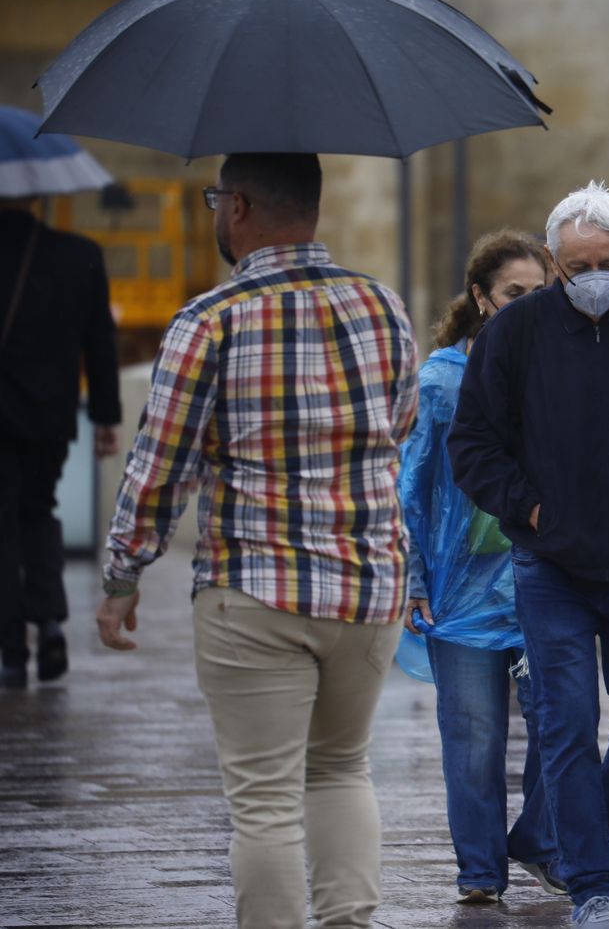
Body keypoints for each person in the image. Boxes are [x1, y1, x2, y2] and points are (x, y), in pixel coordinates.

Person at [96, 153, 419, 929]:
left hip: (257, 587)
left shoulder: (211, 319)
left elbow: (159, 464)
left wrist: (121, 576)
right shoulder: (383, 308)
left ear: (237, 206)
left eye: (215, 199)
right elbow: (399, 425)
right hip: (368, 583)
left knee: (265, 801)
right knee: (342, 770)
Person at [449, 180, 609, 929]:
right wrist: (528, 506)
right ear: (554, 262)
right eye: (573, 266)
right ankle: (595, 884)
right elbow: (472, 443)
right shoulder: (515, 333)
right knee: (564, 722)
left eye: (604, 262)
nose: (590, 277)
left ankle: (583, 835)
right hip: (551, 568)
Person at [397, 228, 565, 904]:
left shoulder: (560, 370)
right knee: (473, 739)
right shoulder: (440, 384)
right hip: (461, 591)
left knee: (565, 724)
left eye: (538, 294)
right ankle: (480, 872)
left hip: (546, 578)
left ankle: (536, 840)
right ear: (480, 297)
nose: (526, 305)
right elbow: (411, 483)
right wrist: (411, 575)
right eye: (512, 293)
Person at [0, 193, 120, 688]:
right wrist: (106, 417)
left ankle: (11, 650)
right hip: (49, 415)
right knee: (38, 509)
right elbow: (100, 340)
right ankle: (49, 622)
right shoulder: (80, 253)